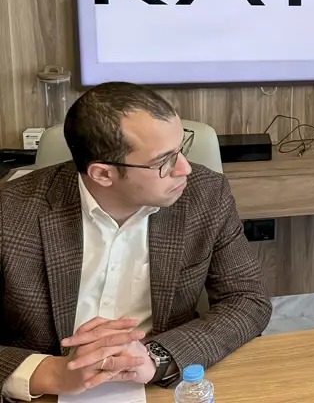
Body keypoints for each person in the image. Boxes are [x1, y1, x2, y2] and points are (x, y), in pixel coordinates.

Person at [0, 82, 271, 400]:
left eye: (182, 147)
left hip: (162, 385)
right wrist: (52, 373)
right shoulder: (10, 212)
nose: (184, 168)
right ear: (103, 174)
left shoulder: (206, 194)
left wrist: (157, 357)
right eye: (164, 161)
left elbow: (247, 300)